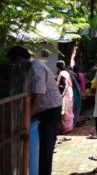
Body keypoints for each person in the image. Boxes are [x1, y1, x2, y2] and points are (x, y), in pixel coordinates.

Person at [7, 46, 62, 175]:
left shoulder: (35, 68)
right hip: (43, 110)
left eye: (14, 62)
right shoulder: (28, 67)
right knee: (40, 146)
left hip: (49, 110)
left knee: (45, 147)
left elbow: (39, 94)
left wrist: (27, 117)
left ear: (19, 58)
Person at [56, 60, 74, 134]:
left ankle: (65, 129)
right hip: (69, 93)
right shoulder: (66, 72)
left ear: (57, 67)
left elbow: (64, 85)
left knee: (65, 111)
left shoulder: (62, 73)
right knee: (68, 111)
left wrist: (62, 95)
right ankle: (69, 128)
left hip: (66, 94)